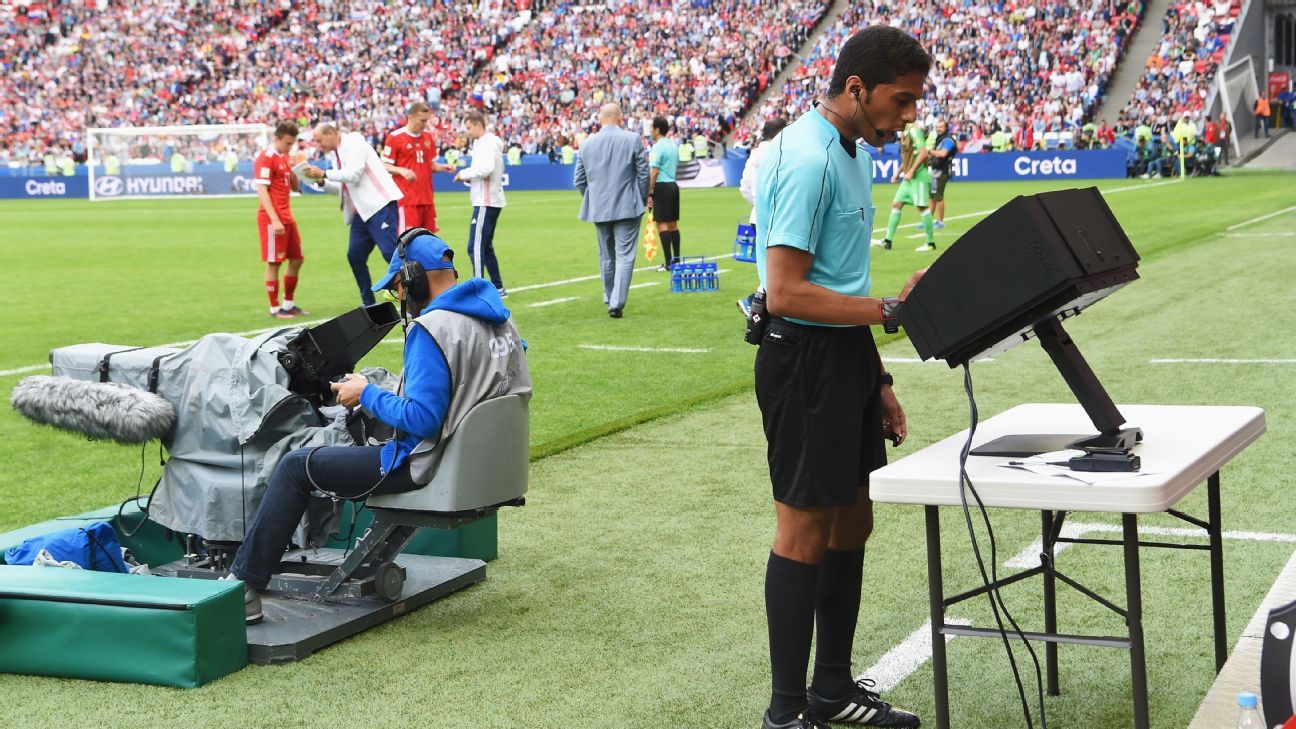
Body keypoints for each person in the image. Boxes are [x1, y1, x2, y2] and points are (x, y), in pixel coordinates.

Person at [752, 25, 929, 729]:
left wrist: (878, 376)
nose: (910, 114)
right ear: (856, 88)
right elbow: (787, 291)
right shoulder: (803, 157)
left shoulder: (853, 151)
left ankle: (830, 692)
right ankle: (785, 712)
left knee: (853, 519)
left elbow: (840, 279)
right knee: (803, 529)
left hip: (847, 357)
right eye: (902, 99)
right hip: (802, 360)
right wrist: (890, 309)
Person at [227, 232, 531, 623]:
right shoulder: (501, 318)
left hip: (425, 464)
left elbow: (424, 419)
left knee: (294, 466)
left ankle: (243, 587)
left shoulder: (431, 328)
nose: (399, 297)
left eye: (397, 288)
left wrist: (366, 394)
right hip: (485, 467)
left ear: (412, 279)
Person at [303, 123, 404, 307]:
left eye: (320, 140)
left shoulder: (355, 141)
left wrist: (324, 173)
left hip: (380, 204)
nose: (319, 146)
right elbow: (343, 186)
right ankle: (369, 303)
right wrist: (321, 181)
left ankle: (419, 295)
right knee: (355, 255)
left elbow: (354, 175)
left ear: (332, 133)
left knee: (391, 253)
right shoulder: (336, 154)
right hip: (363, 212)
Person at [573, 103, 650, 319]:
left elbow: (578, 180)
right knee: (625, 255)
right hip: (628, 205)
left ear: (601, 119)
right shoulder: (632, 139)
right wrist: (641, 199)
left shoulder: (587, 144)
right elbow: (643, 174)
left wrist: (593, 199)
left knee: (606, 256)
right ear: (619, 117)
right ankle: (616, 303)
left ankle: (610, 297)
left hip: (599, 208)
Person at [254, 122, 308, 319]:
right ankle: (275, 308)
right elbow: (262, 191)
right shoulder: (266, 159)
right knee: (274, 263)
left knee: (297, 259)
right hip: (272, 219)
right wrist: (274, 220)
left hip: (287, 216)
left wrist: (296, 172)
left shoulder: (284, 156)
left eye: (292, 144)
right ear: (276, 138)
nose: (289, 147)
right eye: (287, 143)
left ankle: (289, 303)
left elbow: (294, 187)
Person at [454, 111, 509, 297]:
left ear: (478, 125)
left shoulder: (487, 142)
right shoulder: (485, 143)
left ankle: (479, 288)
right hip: (489, 199)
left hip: (486, 201)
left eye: (469, 128)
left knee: (475, 246)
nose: (467, 132)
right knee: (485, 246)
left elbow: (486, 169)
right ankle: (498, 287)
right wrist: (471, 179)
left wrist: (464, 174)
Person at [382, 101, 457, 234]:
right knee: (408, 242)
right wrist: (401, 170)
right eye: (422, 121)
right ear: (410, 117)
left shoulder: (428, 137)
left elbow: (429, 165)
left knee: (428, 242)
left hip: (427, 199)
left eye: (426, 121)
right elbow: (384, 165)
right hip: (407, 201)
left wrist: (443, 168)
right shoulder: (395, 137)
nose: (424, 124)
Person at [877, 120, 937, 253]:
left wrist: (910, 172)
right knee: (896, 204)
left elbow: (923, 153)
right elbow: (909, 158)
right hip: (909, 178)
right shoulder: (904, 132)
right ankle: (888, 241)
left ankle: (930, 242)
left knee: (922, 207)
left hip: (919, 176)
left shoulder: (914, 130)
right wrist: (898, 173)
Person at [740, 117, 789, 227]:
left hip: (757, 217)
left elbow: (744, 187)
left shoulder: (754, 155)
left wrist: (758, 204)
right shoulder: (783, 154)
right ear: (780, 132)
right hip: (780, 218)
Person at [648, 116, 682, 271]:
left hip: (662, 186)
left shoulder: (657, 147)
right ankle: (676, 260)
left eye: (651, 128)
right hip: (673, 186)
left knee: (662, 224)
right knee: (673, 224)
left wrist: (649, 193)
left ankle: (668, 263)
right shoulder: (673, 146)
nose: (650, 131)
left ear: (656, 129)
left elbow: (654, 172)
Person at [926, 118, 957, 228]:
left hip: (942, 171)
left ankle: (940, 221)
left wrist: (929, 151)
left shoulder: (948, 140)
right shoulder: (939, 139)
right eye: (937, 127)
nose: (938, 129)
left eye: (941, 127)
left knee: (938, 197)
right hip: (935, 171)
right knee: (932, 196)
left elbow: (943, 154)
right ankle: (928, 220)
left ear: (946, 128)